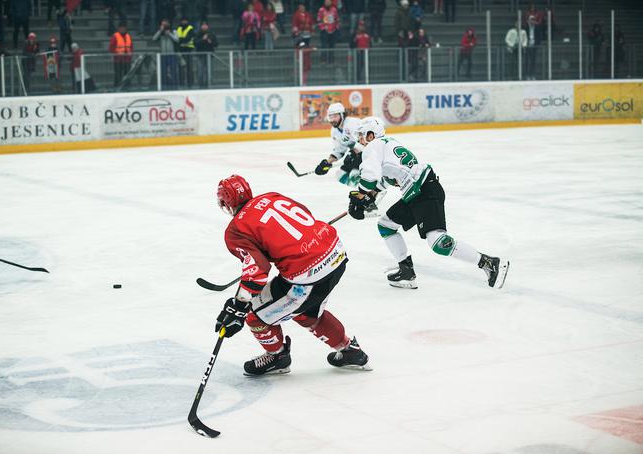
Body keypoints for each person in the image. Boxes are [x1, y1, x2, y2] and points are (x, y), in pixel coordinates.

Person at [214, 175, 371, 376]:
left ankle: (277, 357)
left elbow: (257, 270)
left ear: (226, 202)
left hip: (306, 276)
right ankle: (350, 351)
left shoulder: (235, 230)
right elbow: (304, 213)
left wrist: (238, 306)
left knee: (255, 316)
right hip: (335, 256)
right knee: (306, 311)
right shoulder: (272, 196)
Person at [347, 117, 510, 289]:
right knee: (386, 225)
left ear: (372, 135)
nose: (359, 139)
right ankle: (406, 271)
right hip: (417, 191)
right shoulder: (389, 144)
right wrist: (367, 196)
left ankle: (489, 263)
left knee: (438, 242)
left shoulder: (373, 146)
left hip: (424, 191)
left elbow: (369, 177)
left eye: (362, 135)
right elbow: (385, 180)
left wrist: (361, 196)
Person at [153, 19, 179, 89]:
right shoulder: (160, 32)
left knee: (173, 71)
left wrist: (169, 34)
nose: (164, 25)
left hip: (171, 54)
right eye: (163, 24)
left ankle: (174, 86)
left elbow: (177, 39)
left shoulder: (173, 30)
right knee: (163, 72)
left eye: (166, 24)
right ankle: (164, 86)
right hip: (163, 55)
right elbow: (154, 38)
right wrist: (160, 31)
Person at [109, 22, 133, 87]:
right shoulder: (115, 36)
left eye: (124, 28)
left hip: (127, 59)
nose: (123, 29)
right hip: (118, 59)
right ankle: (117, 86)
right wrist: (117, 52)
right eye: (121, 28)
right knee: (118, 74)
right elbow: (111, 47)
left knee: (127, 74)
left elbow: (131, 47)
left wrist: (130, 53)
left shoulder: (128, 36)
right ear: (118, 28)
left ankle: (127, 85)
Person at [194, 21, 217, 88]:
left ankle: (208, 84)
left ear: (208, 26)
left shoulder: (211, 34)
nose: (204, 26)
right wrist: (202, 39)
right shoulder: (198, 34)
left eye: (205, 25)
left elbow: (216, 44)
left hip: (209, 55)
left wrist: (211, 42)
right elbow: (195, 43)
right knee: (200, 71)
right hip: (200, 55)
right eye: (203, 25)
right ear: (201, 26)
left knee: (209, 71)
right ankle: (200, 85)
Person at [317, 0, 340, 64]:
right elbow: (319, 20)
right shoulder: (321, 10)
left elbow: (337, 19)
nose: (328, 3)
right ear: (324, 3)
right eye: (326, 2)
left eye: (329, 2)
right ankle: (323, 60)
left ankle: (331, 60)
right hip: (325, 30)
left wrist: (336, 27)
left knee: (332, 46)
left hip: (333, 30)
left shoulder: (334, 9)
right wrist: (323, 28)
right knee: (324, 46)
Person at [176, 16, 195, 88]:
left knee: (189, 68)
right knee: (181, 68)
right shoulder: (179, 28)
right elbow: (177, 39)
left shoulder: (190, 28)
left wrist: (181, 40)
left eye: (185, 21)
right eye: (183, 21)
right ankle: (181, 83)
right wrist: (182, 40)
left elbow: (188, 38)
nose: (184, 22)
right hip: (181, 51)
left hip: (188, 50)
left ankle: (190, 84)